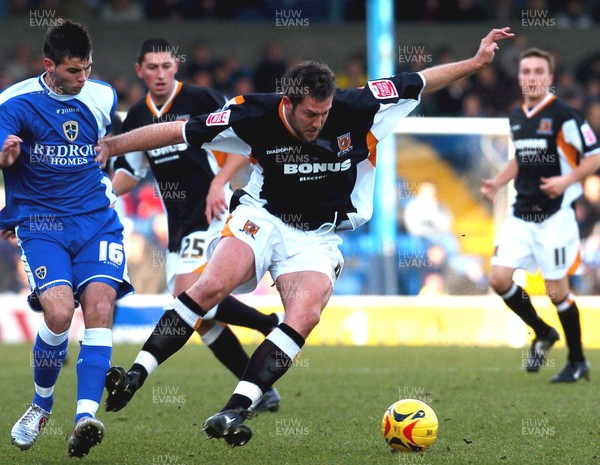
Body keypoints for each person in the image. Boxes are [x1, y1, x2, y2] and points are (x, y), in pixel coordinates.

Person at [97, 27, 514, 447]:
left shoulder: (361, 105)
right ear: (288, 103)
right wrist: (111, 146)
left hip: (319, 234)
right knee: (212, 284)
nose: (319, 122)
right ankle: (135, 375)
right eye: (310, 115)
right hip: (262, 216)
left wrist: (476, 62)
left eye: (325, 113)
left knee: (305, 314)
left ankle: (234, 409)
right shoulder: (250, 114)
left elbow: (421, 81)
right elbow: (175, 131)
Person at [104, 38, 281, 414]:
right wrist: (100, 196)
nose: (160, 74)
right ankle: (262, 375)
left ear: (175, 67)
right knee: (197, 318)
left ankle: (267, 332)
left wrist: (220, 183)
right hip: (178, 222)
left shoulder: (201, 100)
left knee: (188, 297)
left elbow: (248, 141)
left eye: (166, 66)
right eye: (152, 67)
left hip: (212, 211)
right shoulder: (137, 116)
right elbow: (131, 173)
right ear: (140, 71)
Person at [0, 20, 133, 457]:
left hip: (96, 221)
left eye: (87, 68)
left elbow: (105, 148)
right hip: (41, 225)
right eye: (74, 71)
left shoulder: (102, 95)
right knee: (58, 314)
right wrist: (7, 154)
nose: (83, 78)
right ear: (49, 65)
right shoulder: (15, 101)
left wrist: (111, 166)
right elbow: (2, 146)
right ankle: (40, 406)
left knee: (100, 307)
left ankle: (84, 419)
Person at [481, 47, 600, 383]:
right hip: (522, 215)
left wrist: (565, 180)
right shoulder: (517, 116)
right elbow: (521, 158)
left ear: (549, 78)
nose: (531, 77)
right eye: (526, 72)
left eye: (538, 71)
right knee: (499, 279)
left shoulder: (566, 117)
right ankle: (542, 331)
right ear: (519, 78)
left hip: (555, 216)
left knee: (556, 290)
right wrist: (496, 182)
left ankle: (578, 361)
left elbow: (594, 157)